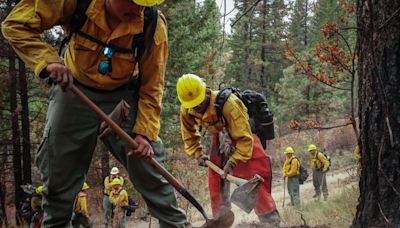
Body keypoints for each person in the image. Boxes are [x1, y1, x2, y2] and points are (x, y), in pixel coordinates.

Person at [2, 0, 188, 227]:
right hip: (73, 89)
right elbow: (15, 25)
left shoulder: (152, 24)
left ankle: (177, 225)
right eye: (133, 2)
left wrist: (144, 133)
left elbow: (152, 85)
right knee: (58, 171)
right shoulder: (74, 2)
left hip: (123, 98)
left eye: (144, 4)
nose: (139, 10)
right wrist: (48, 61)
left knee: (148, 164)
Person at [176, 74, 280, 225]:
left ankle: (271, 221)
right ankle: (220, 220)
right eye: (192, 105)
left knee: (255, 180)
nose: (196, 107)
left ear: (206, 91)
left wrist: (232, 162)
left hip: (244, 137)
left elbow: (245, 139)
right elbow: (189, 135)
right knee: (215, 183)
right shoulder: (187, 108)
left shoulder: (230, 104)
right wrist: (198, 153)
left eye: (199, 102)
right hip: (219, 137)